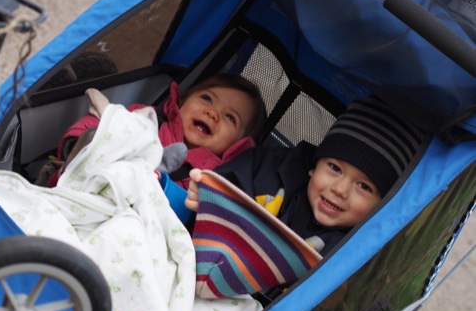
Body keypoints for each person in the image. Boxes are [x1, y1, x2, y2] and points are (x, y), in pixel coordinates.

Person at [185, 95, 426, 255]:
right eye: (334, 168)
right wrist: (207, 196)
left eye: (364, 186)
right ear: (314, 166)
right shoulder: (271, 171)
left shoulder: (354, 250)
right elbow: (227, 183)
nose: (340, 190)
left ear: (381, 205)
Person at [45, 72, 268, 189]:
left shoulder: (212, 181)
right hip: (83, 180)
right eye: (207, 99)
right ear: (182, 102)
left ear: (239, 146)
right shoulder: (150, 119)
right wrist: (81, 141)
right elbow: (107, 121)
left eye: (230, 117)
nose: (212, 113)